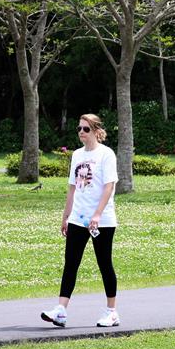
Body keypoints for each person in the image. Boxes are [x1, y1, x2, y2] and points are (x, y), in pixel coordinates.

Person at [41, 114, 120, 328]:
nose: (81, 133)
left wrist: (97, 214)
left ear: (96, 130)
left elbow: (109, 186)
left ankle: (111, 312)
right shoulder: (76, 155)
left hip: (101, 220)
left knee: (104, 263)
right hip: (78, 218)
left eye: (85, 129)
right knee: (71, 263)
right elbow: (72, 188)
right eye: (79, 129)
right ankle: (61, 310)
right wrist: (66, 216)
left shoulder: (106, 154)